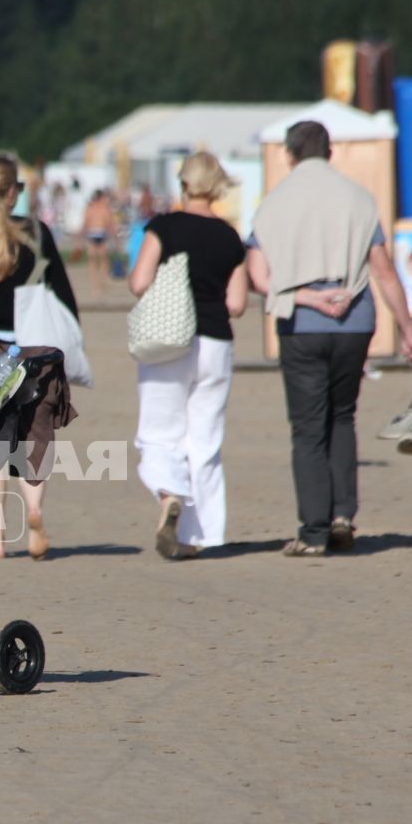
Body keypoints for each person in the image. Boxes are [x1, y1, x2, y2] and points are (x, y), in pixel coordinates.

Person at [246, 120, 412, 557]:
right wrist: (408, 331)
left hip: (301, 323)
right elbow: (384, 272)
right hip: (354, 322)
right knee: (342, 416)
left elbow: (258, 275)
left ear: (290, 155)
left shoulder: (273, 204)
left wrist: (307, 295)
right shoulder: (359, 199)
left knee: (308, 428)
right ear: (330, 152)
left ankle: (313, 531)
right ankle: (344, 514)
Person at [0, 154, 79, 560]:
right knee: (35, 433)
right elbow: (64, 296)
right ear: (10, 192)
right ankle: (35, 511)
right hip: (35, 348)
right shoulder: (36, 233)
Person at [128, 152, 249, 560]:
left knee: (160, 434)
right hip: (216, 341)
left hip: (168, 340)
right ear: (217, 187)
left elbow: (139, 281)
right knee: (205, 442)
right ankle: (206, 536)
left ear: (183, 184)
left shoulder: (165, 226)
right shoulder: (231, 236)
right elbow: (236, 303)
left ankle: (170, 498)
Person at [80, 189, 115, 281]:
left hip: (92, 233)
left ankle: (95, 282)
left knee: (92, 259)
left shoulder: (90, 208)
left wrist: (81, 236)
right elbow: (109, 223)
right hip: (101, 233)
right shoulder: (105, 208)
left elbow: (85, 223)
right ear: (101, 197)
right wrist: (114, 235)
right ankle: (103, 279)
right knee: (103, 259)